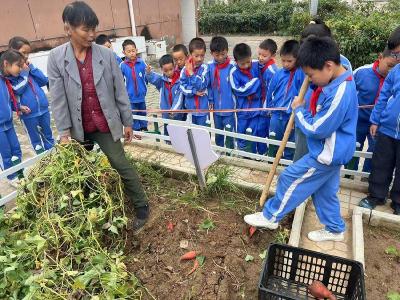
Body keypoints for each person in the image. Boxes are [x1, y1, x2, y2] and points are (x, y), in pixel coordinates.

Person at [47, 1, 149, 230]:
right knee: (77, 171)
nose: (92, 35)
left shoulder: (106, 55)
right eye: (86, 29)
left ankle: (141, 206)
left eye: (94, 29)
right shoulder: (56, 58)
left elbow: (118, 91)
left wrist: (127, 121)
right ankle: (85, 211)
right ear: (68, 29)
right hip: (77, 127)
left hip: (104, 123)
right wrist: (64, 133)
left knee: (121, 165)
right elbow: (58, 99)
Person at [244, 37, 358, 242]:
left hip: (326, 154)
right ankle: (335, 229)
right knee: (324, 193)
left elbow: (317, 129)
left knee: (289, 178)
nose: (309, 79)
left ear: (329, 66)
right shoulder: (337, 74)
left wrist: (299, 111)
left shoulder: (341, 92)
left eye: (310, 75)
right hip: (333, 152)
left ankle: (271, 216)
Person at [294, 20, 353, 162]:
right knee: (301, 154)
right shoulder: (307, 60)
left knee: (308, 164)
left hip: (318, 123)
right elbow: (302, 84)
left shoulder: (341, 67)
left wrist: (300, 111)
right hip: (305, 114)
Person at [358, 25, 400, 215]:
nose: (397, 59)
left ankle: (398, 202)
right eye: (395, 55)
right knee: (381, 163)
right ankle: (376, 195)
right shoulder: (395, 72)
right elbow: (383, 97)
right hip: (387, 128)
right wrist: (375, 120)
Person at [348, 48, 397, 173]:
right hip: (358, 119)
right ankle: (348, 175)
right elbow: (347, 92)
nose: (392, 70)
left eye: (396, 66)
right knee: (354, 147)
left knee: (375, 150)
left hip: (379, 122)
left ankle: (366, 176)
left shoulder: (396, 77)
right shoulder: (361, 72)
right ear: (380, 58)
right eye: (390, 66)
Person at [8, 36, 54, 153]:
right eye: (23, 52)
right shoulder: (12, 74)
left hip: (43, 110)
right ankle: (43, 164)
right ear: (13, 51)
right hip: (28, 114)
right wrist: (24, 72)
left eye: (28, 53)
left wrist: (31, 68)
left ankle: (54, 160)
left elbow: (44, 80)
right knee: (37, 143)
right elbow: (17, 90)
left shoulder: (28, 68)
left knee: (49, 138)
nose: (26, 56)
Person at [266, 40, 305, 159]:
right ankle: (271, 161)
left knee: (290, 143)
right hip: (277, 114)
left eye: (289, 61)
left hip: (292, 116)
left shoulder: (301, 74)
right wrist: (269, 107)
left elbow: (302, 95)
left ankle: (287, 163)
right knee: (274, 140)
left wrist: (296, 115)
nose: (286, 64)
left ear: (297, 59)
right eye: (283, 60)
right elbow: (270, 91)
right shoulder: (278, 73)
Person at [229, 43, 261, 153]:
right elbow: (238, 90)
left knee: (254, 131)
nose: (247, 65)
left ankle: (253, 152)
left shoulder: (256, 65)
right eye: (242, 64)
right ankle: (242, 152)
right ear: (236, 61)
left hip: (256, 108)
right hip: (242, 110)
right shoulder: (233, 72)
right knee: (241, 131)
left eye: (248, 61)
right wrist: (255, 82)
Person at [0, 50, 24, 183]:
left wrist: (18, 107)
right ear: (6, 63)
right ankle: (11, 178)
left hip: (9, 124)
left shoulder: (5, 81)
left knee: (16, 149)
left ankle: (19, 173)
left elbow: (8, 100)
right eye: (18, 65)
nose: (20, 69)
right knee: (5, 154)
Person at [207, 36, 235, 148]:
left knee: (229, 131)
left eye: (223, 54)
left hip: (229, 107)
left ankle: (231, 150)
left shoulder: (232, 66)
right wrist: (210, 99)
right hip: (216, 109)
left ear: (227, 51)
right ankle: (219, 149)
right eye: (217, 55)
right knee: (218, 131)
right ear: (211, 53)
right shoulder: (209, 66)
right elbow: (208, 85)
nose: (220, 57)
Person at [146, 54, 184, 136]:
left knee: (178, 131)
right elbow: (153, 78)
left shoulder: (180, 80)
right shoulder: (162, 80)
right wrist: (149, 73)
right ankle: (167, 142)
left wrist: (173, 110)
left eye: (171, 69)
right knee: (167, 130)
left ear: (174, 66)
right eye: (166, 71)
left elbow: (179, 98)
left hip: (177, 113)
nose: (169, 72)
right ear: (162, 70)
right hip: (166, 112)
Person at [120, 39, 148, 135]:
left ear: (136, 50)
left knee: (143, 111)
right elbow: (120, 81)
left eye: (133, 51)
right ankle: (136, 130)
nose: (132, 53)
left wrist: (148, 73)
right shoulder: (122, 66)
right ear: (124, 53)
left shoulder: (141, 63)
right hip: (130, 97)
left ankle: (144, 126)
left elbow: (146, 77)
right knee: (134, 114)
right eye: (129, 51)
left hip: (141, 95)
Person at [180, 37, 209, 126]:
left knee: (203, 134)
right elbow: (182, 87)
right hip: (190, 110)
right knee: (191, 135)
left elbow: (202, 85)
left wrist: (192, 74)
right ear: (190, 55)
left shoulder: (205, 68)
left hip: (203, 110)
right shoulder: (185, 69)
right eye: (196, 56)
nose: (199, 59)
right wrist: (193, 91)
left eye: (202, 55)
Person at [256, 38, 278, 155]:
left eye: (264, 56)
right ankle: (263, 152)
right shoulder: (261, 65)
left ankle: (267, 154)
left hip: (268, 107)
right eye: (259, 54)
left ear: (273, 55)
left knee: (265, 131)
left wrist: (268, 108)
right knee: (262, 130)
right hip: (262, 104)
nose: (260, 57)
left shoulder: (271, 71)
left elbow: (272, 92)